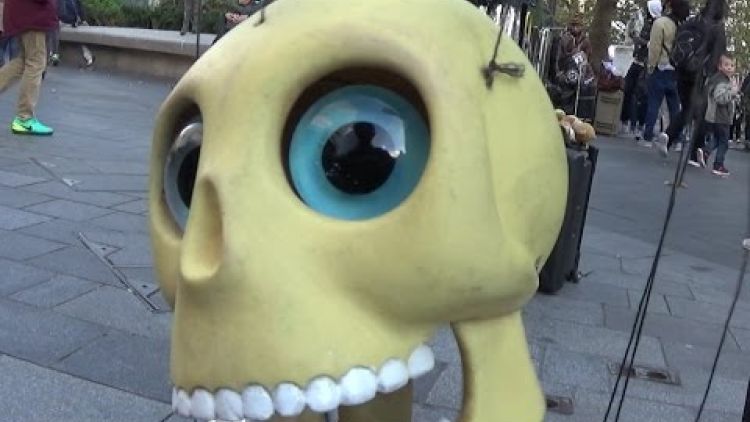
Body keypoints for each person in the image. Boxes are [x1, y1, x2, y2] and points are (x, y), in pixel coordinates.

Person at [657, 0, 727, 162]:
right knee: (702, 113)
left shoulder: (692, 22)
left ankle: (669, 136)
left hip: (682, 71)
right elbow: (717, 56)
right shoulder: (717, 29)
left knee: (688, 109)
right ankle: (695, 153)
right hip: (700, 75)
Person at [0, 0, 58, 136]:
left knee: (23, 61)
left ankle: (24, 118)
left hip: (21, 14)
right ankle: (24, 118)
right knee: (35, 62)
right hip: (32, 16)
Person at [638, 0, 689, 148]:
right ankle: (676, 139)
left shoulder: (660, 23)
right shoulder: (684, 26)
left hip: (661, 66)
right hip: (677, 70)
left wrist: (651, 66)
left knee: (654, 103)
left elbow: (654, 48)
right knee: (675, 107)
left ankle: (648, 136)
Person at [621, 0, 662, 136]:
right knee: (628, 90)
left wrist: (642, 41)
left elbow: (651, 44)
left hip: (648, 64)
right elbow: (635, 37)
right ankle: (626, 120)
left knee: (642, 94)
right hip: (637, 61)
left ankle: (639, 123)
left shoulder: (657, 26)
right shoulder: (643, 22)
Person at [702, 53, 739, 176]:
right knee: (724, 142)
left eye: (732, 65)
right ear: (720, 66)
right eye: (726, 65)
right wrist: (732, 93)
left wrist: (734, 95)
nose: (729, 68)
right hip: (721, 116)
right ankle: (718, 165)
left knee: (718, 139)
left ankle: (705, 152)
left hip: (716, 116)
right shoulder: (721, 81)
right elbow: (720, 98)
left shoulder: (718, 79)